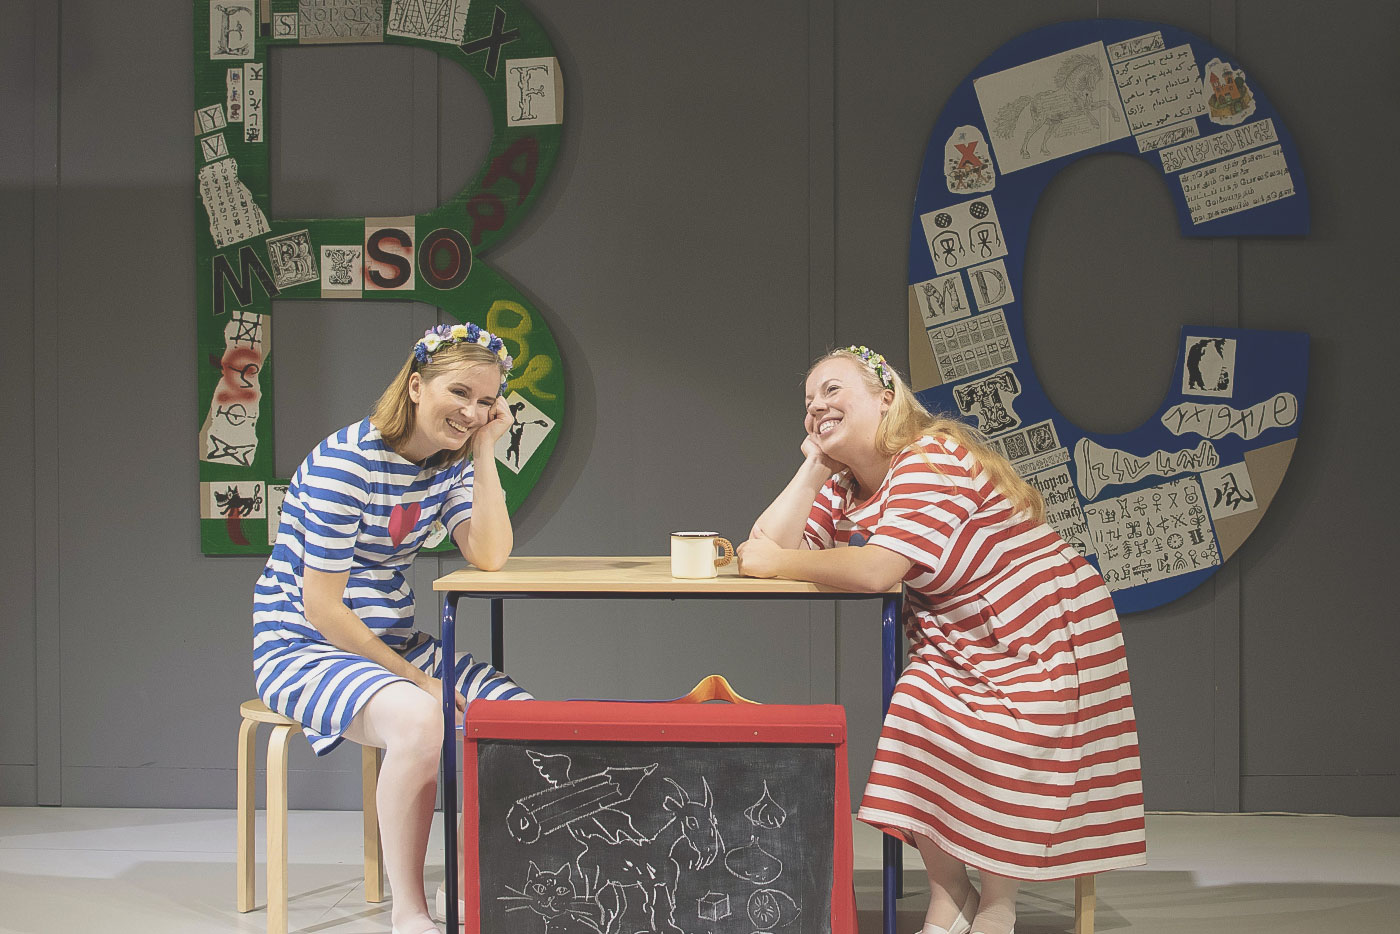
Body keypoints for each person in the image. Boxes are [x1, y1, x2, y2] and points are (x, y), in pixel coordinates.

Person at [738, 346, 1145, 934]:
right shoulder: (846, 483)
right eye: (808, 402)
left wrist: (778, 563)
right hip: (957, 632)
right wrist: (814, 467)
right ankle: (951, 893)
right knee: (914, 711)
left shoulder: (928, 458)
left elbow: (874, 569)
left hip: (1039, 625)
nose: (816, 407)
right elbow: (766, 545)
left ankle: (999, 902)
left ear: (885, 398)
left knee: (1005, 734)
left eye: (832, 391)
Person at [253, 322, 531, 934]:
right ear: (415, 385)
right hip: (304, 646)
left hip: (392, 643)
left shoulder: (447, 465)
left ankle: (477, 883)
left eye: (486, 401)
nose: (471, 412)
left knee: (518, 718)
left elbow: (489, 554)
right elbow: (323, 608)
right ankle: (410, 910)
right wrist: (418, 680)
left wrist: (484, 453)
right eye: (459, 393)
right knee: (423, 718)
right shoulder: (346, 464)